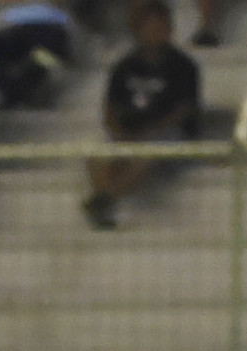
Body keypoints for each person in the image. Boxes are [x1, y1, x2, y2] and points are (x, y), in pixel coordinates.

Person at [84, 0, 199, 230]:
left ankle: (106, 199)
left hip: (168, 134)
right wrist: (118, 133)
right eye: (151, 26)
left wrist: (151, 131)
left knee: (144, 155)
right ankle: (104, 197)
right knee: (97, 157)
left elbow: (185, 109)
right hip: (131, 131)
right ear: (138, 29)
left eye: (162, 26)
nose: (157, 31)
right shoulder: (124, 66)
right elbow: (110, 107)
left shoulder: (183, 66)